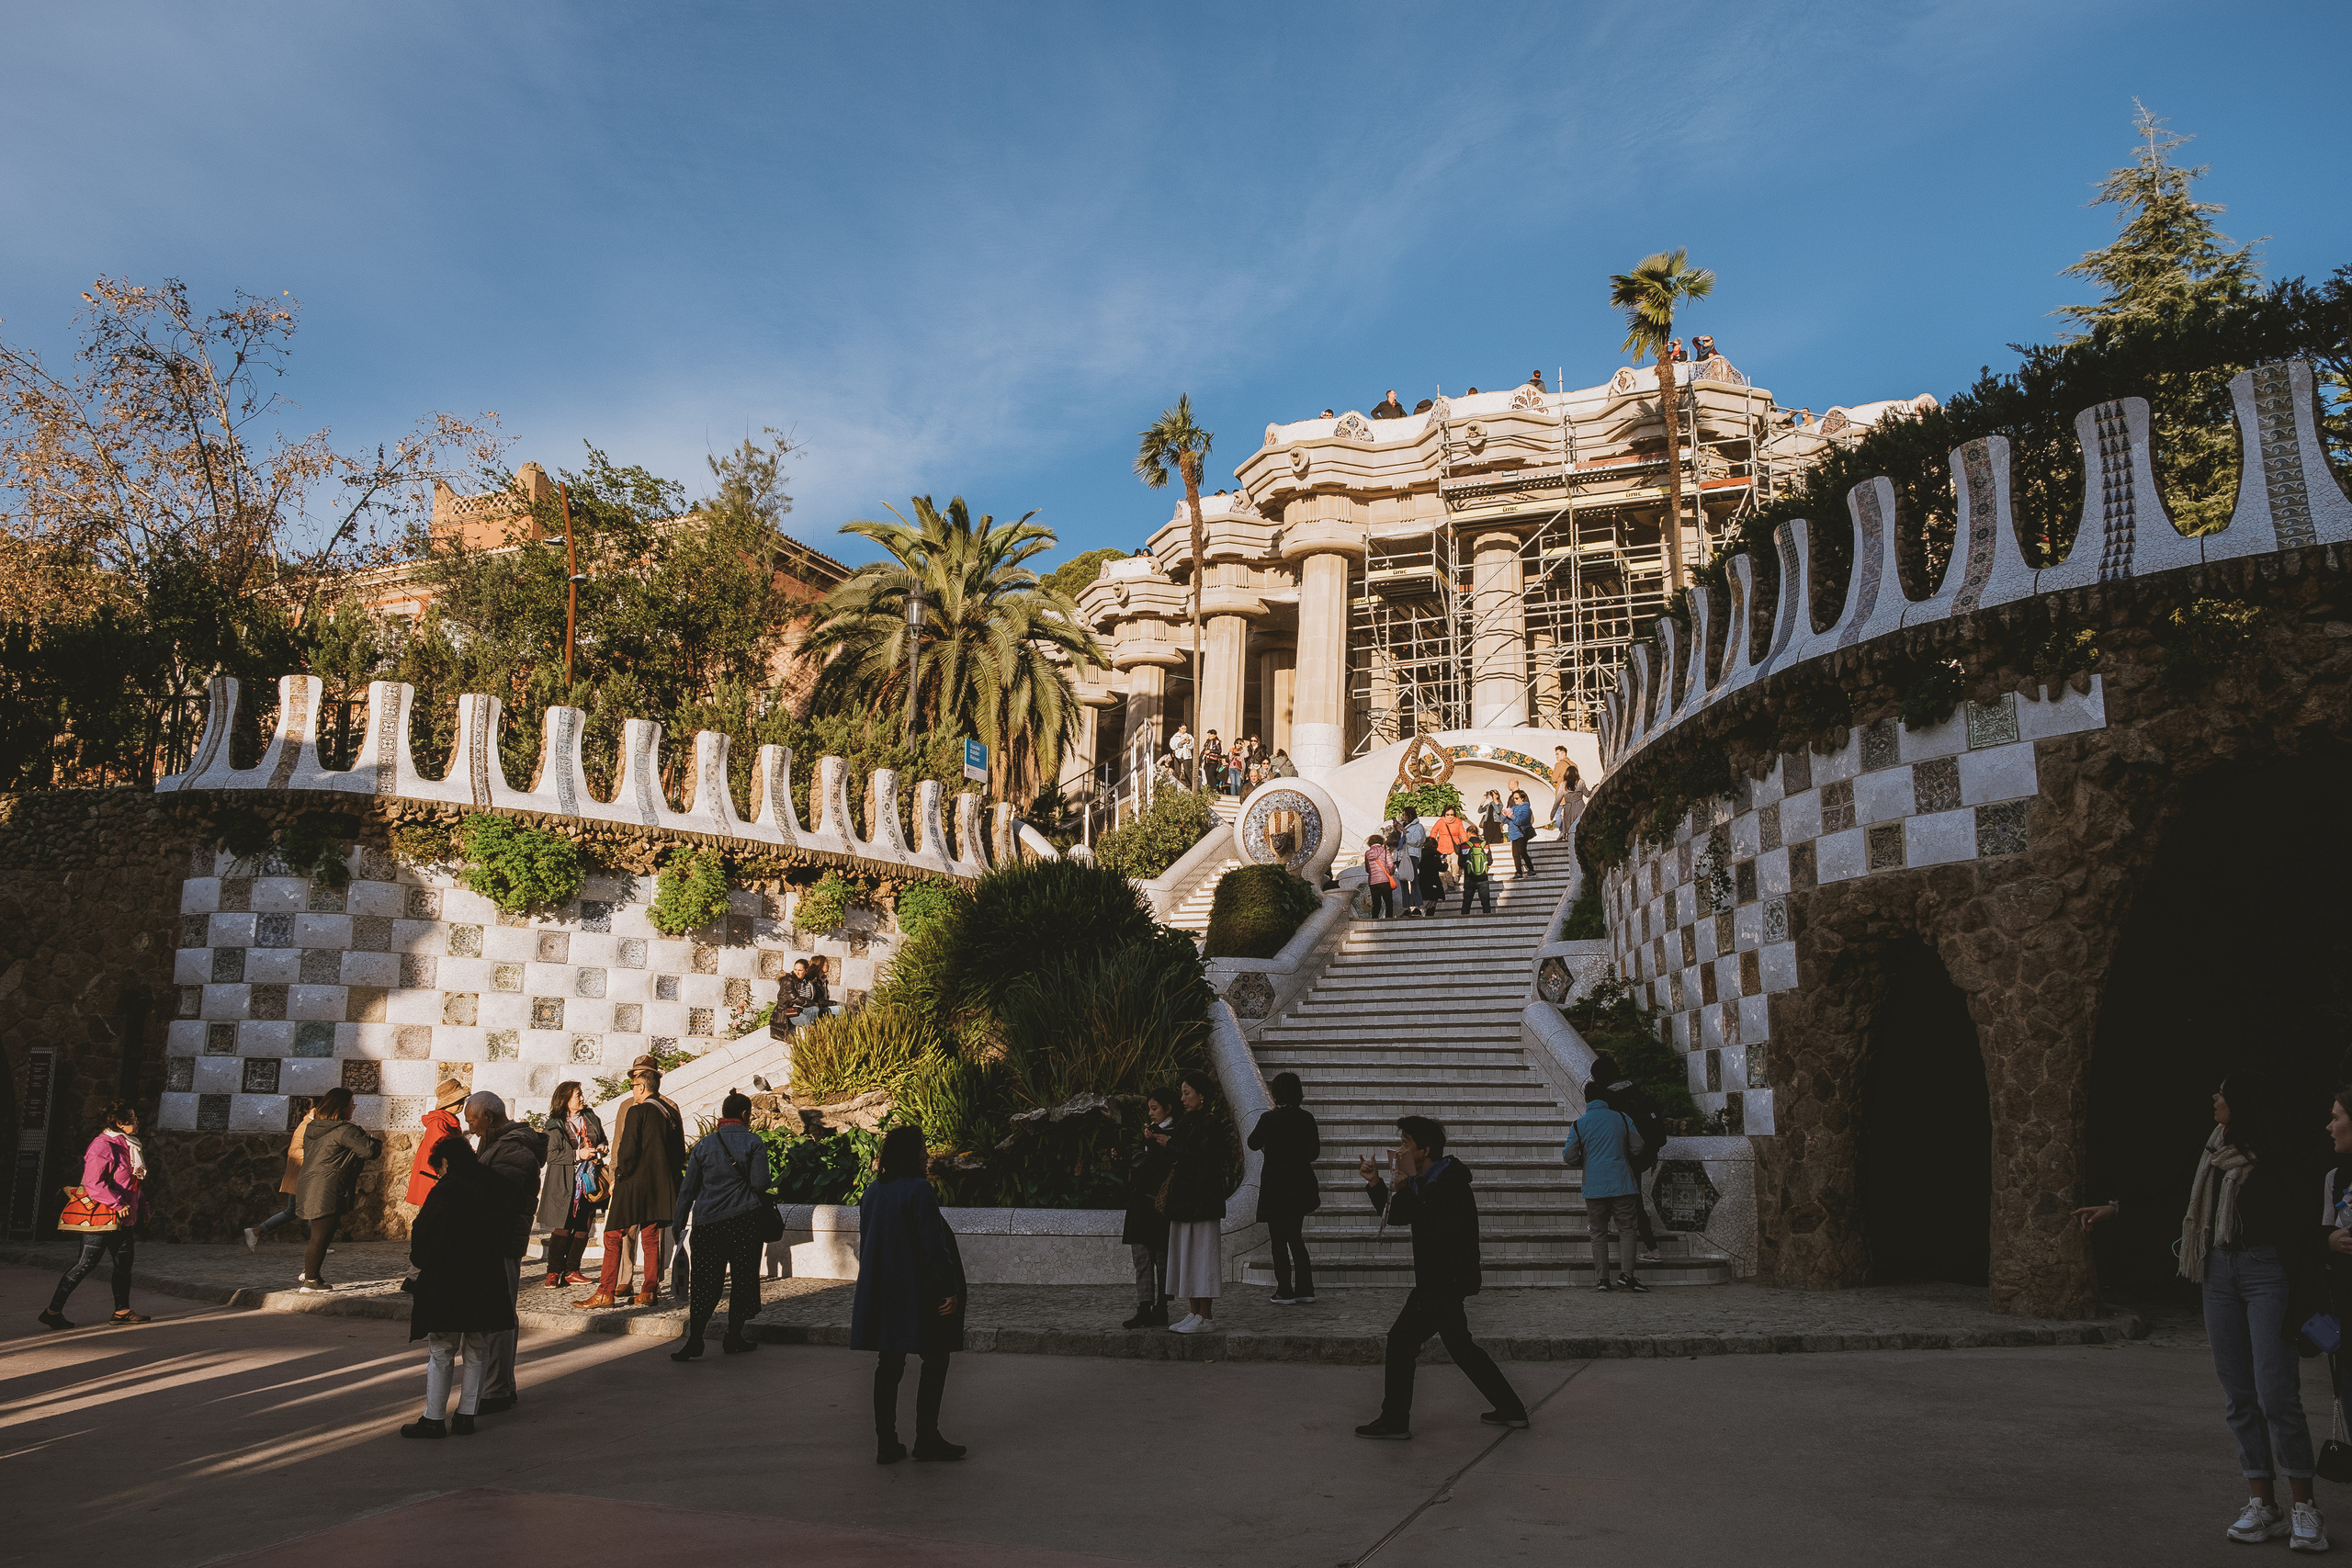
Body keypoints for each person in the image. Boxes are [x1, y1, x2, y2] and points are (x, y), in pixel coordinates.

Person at [2075, 1071, 2325, 1549]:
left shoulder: (2278, 1156)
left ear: (2245, 1101)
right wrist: (2116, 1209)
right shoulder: (2214, 1152)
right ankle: (2262, 1504)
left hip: (2267, 1272)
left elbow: (2304, 1222)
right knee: (2238, 1393)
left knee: (2277, 1393)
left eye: (2224, 1091)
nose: (2215, 1097)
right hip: (2217, 1272)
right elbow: (2180, 1199)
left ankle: (2305, 1508)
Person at [1354, 1115, 1527, 1438]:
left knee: (1401, 1342)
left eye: (1406, 1143)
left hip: (1441, 1282)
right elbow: (1400, 1217)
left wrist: (1407, 1188)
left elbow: (1432, 1224)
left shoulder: (1448, 1182)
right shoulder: (1426, 1182)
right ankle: (1512, 1408)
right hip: (1443, 1281)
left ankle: (1394, 1421)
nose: (1401, 1149)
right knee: (1461, 1347)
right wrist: (1377, 1183)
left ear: (1425, 1150)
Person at [853, 1124, 967, 1463]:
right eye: (922, 1147)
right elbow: (933, 1246)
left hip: (883, 1290)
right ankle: (927, 1437)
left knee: (888, 1364)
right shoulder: (919, 1190)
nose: (927, 1154)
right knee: (936, 1357)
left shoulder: (873, 1192)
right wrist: (949, 1289)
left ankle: (886, 1442)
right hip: (918, 1290)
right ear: (910, 1153)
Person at [401, 1136, 514, 1438]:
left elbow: (424, 1231)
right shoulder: (493, 1184)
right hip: (486, 1276)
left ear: (446, 1163)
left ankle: (434, 1417)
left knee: (442, 1349)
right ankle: (466, 1416)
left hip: (448, 1278)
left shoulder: (447, 1188)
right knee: (478, 1347)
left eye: (439, 1168)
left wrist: (419, 1264)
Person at [671, 1090, 774, 1361]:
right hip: (744, 1222)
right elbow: (761, 1183)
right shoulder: (754, 1142)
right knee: (743, 1279)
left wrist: (679, 1220)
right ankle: (734, 1337)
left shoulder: (703, 1145)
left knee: (705, 1282)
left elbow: (688, 1188)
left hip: (707, 1224)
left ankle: (695, 1340)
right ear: (744, 1115)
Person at [579, 1064, 684, 1309]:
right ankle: (649, 1290)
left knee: (612, 1235)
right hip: (660, 1186)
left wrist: (619, 1177)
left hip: (634, 1184)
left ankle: (605, 1291)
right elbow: (679, 1152)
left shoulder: (638, 1112)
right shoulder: (669, 1112)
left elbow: (627, 1151)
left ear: (642, 1087)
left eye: (634, 1086)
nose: (633, 1090)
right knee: (649, 1236)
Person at [468, 1091, 546, 1416]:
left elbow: (499, 1198)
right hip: (495, 1239)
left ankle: (496, 1389)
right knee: (498, 1314)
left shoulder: (513, 1148)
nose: (468, 1125)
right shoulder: (497, 1143)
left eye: (472, 1119)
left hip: (499, 1240)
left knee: (497, 1316)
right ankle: (501, 1385)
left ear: (488, 1116)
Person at [40, 1100, 150, 1329]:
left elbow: (130, 1183)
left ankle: (122, 1311)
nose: (137, 1121)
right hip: (101, 1217)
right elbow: (93, 1182)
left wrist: (143, 1206)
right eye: (132, 1117)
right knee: (85, 1264)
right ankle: (52, 1311)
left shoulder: (128, 1145)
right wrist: (118, 1204)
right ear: (120, 1122)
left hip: (121, 1217)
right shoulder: (103, 1146)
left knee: (123, 1264)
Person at [1563, 1082, 1649, 1292]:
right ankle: (1627, 1276)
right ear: (1606, 1099)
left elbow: (1569, 1156)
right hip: (1622, 1183)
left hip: (1594, 1186)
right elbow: (1638, 1147)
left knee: (1598, 1232)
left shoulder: (1579, 1124)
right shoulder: (1621, 1118)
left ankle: (1602, 1279)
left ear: (1586, 1100)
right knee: (1627, 1229)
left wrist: (1585, 1160)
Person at [1163, 1069, 1231, 1334]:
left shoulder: (1211, 1123)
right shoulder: (1187, 1121)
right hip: (1186, 1200)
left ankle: (1206, 1315)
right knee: (1188, 1254)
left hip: (1203, 1200)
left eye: (1187, 1093)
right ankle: (1193, 1312)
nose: (1183, 1098)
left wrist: (1171, 1144)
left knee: (1202, 1255)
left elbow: (1202, 1157)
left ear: (1201, 1096)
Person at [1581, 1053, 1666, 1264]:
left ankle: (1651, 1247)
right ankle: (1649, 1246)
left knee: (1631, 1199)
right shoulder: (1634, 1089)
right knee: (1633, 1196)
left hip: (1622, 1155)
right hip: (1641, 1153)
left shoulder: (1609, 1096)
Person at [293, 1088, 379, 1292]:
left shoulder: (314, 1127)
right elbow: (369, 1150)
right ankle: (311, 1281)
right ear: (341, 1107)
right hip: (327, 1187)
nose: (353, 1109)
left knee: (322, 1232)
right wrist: (369, 1137)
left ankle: (310, 1272)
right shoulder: (344, 1130)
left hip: (311, 1183)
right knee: (321, 1236)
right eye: (352, 1105)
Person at [1249, 1072, 1320, 1304]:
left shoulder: (1269, 1119)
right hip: (1300, 1185)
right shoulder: (1307, 1118)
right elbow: (1314, 1153)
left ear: (1275, 1093)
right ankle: (1305, 1289)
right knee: (1295, 1238)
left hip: (1275, 1186)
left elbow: (1252, 1143)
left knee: (1278, 1240)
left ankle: (1284, 1290)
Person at [536, 1081, 606, 1288]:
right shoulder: (555, 1124)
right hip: (565, 1183)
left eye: (581, 1094)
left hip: (589, 1180)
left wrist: (602, 1146)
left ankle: (572, 1270)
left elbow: (602, 1138)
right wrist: (578, 1154)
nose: (582, 1098)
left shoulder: (591, 1118)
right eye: (578, 1095)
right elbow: (551, 1155)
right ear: (565, 1100)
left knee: (584, 1225)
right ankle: (553, 1271)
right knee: (564, 1226)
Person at [1121, 1089, 1177, 1328]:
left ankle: (1162, 1307)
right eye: (1150, 1108)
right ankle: (1144, 1306)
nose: (1151, 1113)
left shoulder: (1174, 1134)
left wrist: (1153, 1142)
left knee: (1161, 1258)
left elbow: (1157, 1163)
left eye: (1155, 1108)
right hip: (1141, 1203)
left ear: (1168, 1108)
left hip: (1159, 1203)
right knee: (1141, 1257)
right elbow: (1137, 1159)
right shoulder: (1150, 1134)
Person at [243, 1100, 314, 1251]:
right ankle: (316, 1246)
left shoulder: (308, 1124)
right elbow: (294, 1151)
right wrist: (315, 1157)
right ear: (313, 1110)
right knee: (310, 1209)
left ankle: (256, 1231)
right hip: (301, 1175)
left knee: (295, 1211)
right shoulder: (306, 1125)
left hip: (301, 1175)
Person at [404, 1078, 470, 1213]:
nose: (462, 1104)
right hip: (435, 1180)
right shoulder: (439, 1123)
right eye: (458, 1101)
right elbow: (442, 1154)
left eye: (462, 1100)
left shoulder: (447, 1120)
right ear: (448, 1102)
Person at [1395, 809, 1427, 918]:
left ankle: (1417, 906)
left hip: (1412, 856)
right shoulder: (1400, 827)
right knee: (1403, 881)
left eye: (1405, 815)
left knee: (1413, 880)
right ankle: (1406, 907)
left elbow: (1416, 841)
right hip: (1400, 857)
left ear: (1410, 815)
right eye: (1402, 815)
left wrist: (1404, 831)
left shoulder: (1418, 827)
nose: (1403, 817)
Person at [1550, 749, 1584, 836]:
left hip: (1563, 793)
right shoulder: (1574, 765)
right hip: (1574, 796)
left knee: (1558, 812)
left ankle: (1562, 830)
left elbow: (1554, 778)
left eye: (1558, 754)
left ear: (1563, 753)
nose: (1556, 756)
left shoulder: (1559, 764)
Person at [1459, 834, 1494, 917]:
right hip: (1483, 877)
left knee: (1467, 902)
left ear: (1468, 833)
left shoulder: (1464, 845)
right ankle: (1487, 919)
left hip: (1469, 877)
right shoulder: (1485, 844)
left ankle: (1464, 921)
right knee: (1485, 902)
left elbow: (1460, 863)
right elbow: (1490, 861)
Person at [1363, 834, 1396, 919]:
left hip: (1373, 881)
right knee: (1388, 902)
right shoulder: (1385, 851)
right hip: (1384, 880)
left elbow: (1367, 869)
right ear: (1381, 841)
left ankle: (1374, 920)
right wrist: (1390, 873)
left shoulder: (1367, 853)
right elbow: (1391, 865)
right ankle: (1389, 920)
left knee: (1376, 903)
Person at [1505, 789, 1536, 877]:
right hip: (1513, 833)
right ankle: (1518, 871)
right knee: (1515, 854)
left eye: (1517, 798)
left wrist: (1512, 816)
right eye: (1513, 798)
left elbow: (1522, 821)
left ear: (1522, 798)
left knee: (1522, 851)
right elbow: (1506, 820)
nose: (1515, 800)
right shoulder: (1513, 808)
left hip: (1521, 833)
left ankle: (1531, 869)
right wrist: (1505, 815)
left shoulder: (1526, 809)